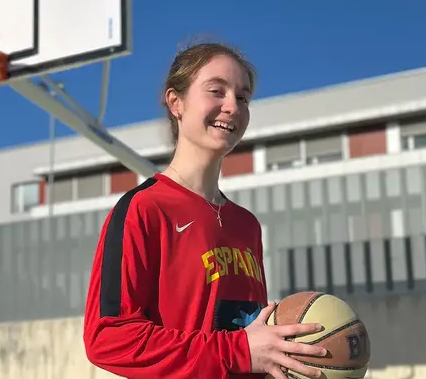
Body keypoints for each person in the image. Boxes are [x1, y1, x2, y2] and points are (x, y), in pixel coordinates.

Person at [83, 40, 327, 379]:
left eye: (242, 97)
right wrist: (240, 351)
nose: (233, 107)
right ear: (176, 102)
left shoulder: (246, 225)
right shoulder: (144, 208)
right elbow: (108, 338)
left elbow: (248, 339)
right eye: (217, 91)